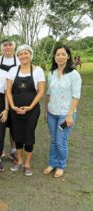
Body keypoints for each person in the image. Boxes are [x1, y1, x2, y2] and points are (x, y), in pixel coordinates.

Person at [7, 44, 45, 176]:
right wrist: (12, 106)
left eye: (26, 53)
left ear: (30, 54)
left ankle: (28, 163)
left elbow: (40, 92)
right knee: (17, 135)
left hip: (32, 110)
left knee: (29, 134)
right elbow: (8, 91)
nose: (23, 56)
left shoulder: (38, 70)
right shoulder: (12, 71)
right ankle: (19, 161)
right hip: (15, 109)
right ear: (17, 56)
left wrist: (30, 107)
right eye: (20, 54)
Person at [43, 45, 82, 178]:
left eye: (63, 54)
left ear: (68, 56)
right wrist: (45, 111)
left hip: (65, 114)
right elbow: (48, 93)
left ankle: (61, 165)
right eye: (57, 54)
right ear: (54, 57)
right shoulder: (52, 73)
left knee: (61, 141)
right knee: (54, 140)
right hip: (52, 113)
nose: (60, 57)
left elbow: (76, 96)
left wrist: (70, 115)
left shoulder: (74, 74)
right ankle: (52, 163)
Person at [0, 39, 21, 161]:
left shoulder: (18, 60)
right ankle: (0, 149)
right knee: (1, 123)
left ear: (14, 47)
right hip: (0, 96)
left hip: (15, 95)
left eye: (10, 45)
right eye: (5, 45)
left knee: (14, 125)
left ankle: (13, 150)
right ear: (2, 48)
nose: (8, 47)